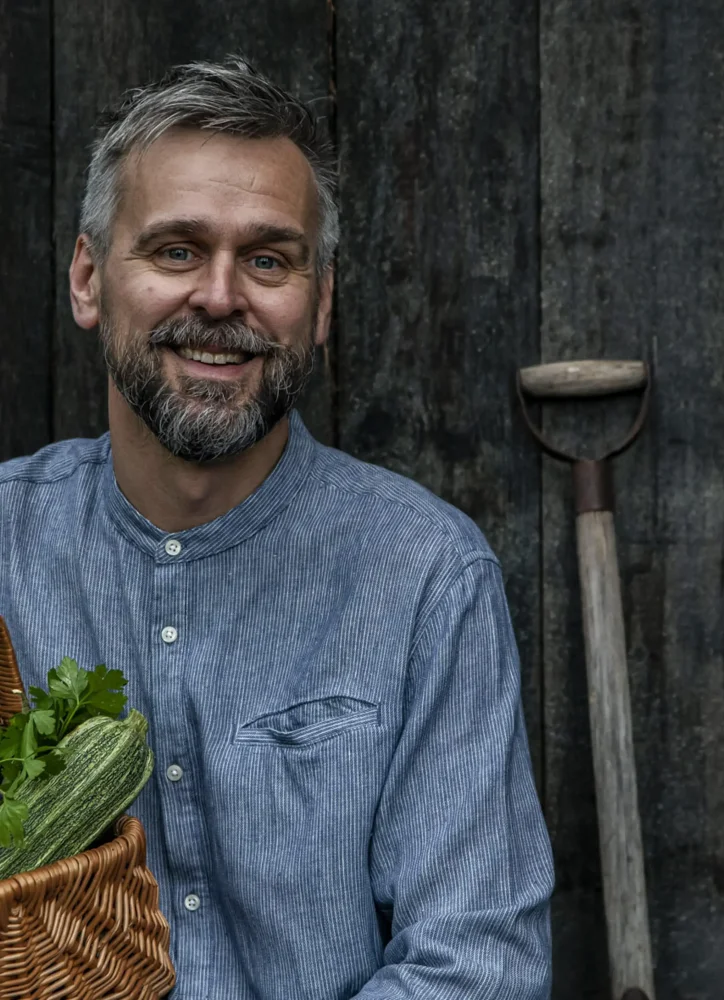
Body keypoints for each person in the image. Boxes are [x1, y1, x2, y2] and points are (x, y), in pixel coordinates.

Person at [0, 56, 554, 999]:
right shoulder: (8, 550)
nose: (221, 298)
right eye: (176, 251)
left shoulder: (425, 576)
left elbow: (478, 966)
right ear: (88, 280)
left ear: (320, 302)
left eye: (268, 259)